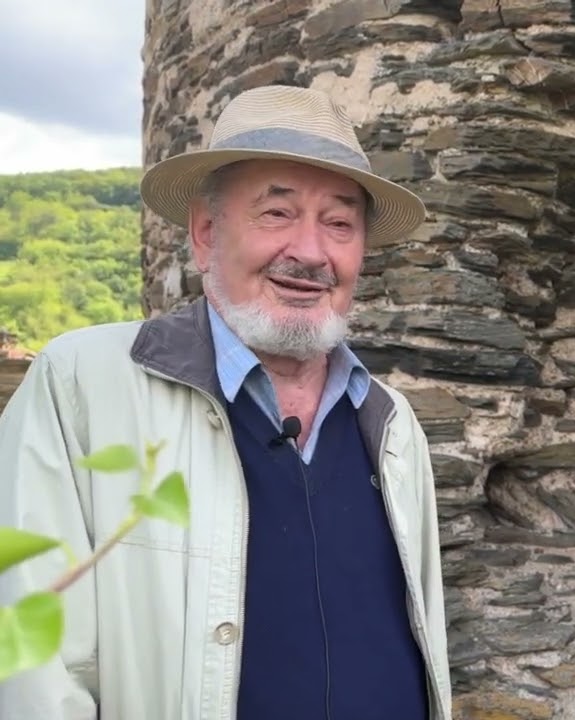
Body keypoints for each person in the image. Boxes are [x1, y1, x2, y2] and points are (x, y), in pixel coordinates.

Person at [0, 85, 452, 720]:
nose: (310, 252)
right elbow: (28, 660)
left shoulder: (390, 423)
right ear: (206, 233)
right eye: (276, 213)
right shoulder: (81, 386)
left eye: (340, 223)